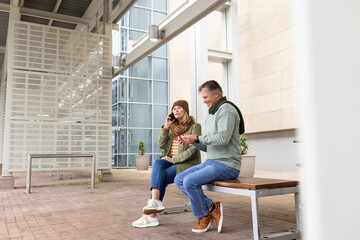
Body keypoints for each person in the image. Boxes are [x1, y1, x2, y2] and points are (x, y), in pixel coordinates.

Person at [174, 80, 245, 233]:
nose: (204, 101)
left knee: (189, 181)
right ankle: (211, 207)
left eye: (206, 97)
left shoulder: (226, 110)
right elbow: (209, 145)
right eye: (203, 98)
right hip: (212, 162)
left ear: (217, 94)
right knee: (179, 179)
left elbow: (223, 138)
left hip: (227, 165)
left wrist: (197, 138)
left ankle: (203, 217)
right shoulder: (212, 113)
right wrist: (191, 141)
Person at [132, 100, 202, 228]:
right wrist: (166, 126)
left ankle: (152, 214)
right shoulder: (172, 128)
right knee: (158, 162)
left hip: (187, 164)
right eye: (174, 108)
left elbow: (193, 149)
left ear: (185, 110)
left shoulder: (195, 126)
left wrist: (173, 160)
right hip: (172, 162)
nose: (175, 110)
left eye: (179, 108)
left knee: (161, 177)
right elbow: (161, 145)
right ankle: (155, 202)